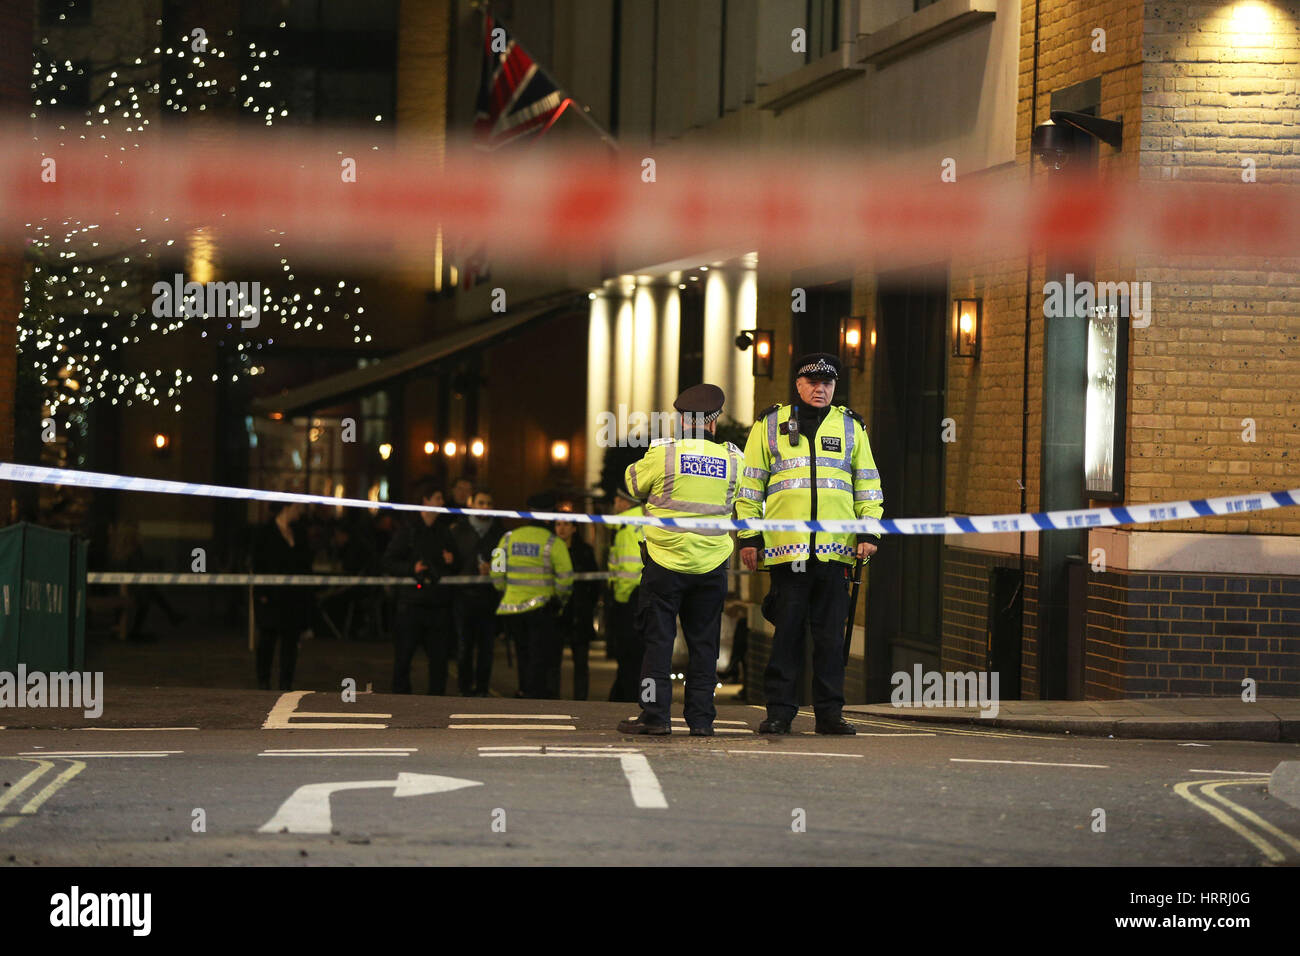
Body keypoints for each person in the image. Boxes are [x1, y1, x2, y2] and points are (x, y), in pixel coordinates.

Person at [735, 353, 884, 735]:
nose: (821, 389)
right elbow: (750, 486)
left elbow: (867, 484)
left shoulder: (851, 426)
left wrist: (868, 532)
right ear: (798, 385)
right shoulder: (770, 424)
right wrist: (749, 537)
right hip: (788, 552)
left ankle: (829, 714)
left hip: (836, 552)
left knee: (831, 640)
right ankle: (780, 712)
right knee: (786, 636)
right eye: (813, 382)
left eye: (828, 384)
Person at [616, 383, 742, 737]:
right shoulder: (734, 459)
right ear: (714, 423)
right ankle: (701, 720)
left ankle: (655, 716)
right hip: (712, 565)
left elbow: (631, 483)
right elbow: (745, 497)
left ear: (682, 421)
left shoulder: (665, 454)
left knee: (658, 642)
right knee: (705, 644)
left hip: (664, 563)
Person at [491, 492, 572, 698]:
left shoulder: (508, 537)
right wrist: (559, 600)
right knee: (539, 656)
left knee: (522, 652)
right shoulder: (554, 542)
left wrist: (504, 590)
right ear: (550, 515)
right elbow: (566, 578)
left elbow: (496, 568)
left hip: (512, 609)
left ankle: (523, 690)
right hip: (541, 609)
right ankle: (534, 695)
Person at [382, 479, 458, 694]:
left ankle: (437, 700)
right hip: (412, 605)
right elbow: (388, 561)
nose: (442, 503)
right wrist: (412, 568)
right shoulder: (410, 531)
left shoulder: (444, 532)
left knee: (439, 660)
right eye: (438, 498)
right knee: (404, 658)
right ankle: (400, 698)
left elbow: (457, 565)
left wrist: (452, 560)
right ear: (425, 501)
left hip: (438, 604)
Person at [252, 501, 313, 691]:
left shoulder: (299, 532)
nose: (299, 511)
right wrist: (262, 592)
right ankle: (264, 680)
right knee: (267, 640)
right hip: (271, 595)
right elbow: (258, 563)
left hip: (293, 596)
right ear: (286, 508)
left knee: (291, 641)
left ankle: (286, 681)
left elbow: (305, 563)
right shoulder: (264, 533)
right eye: (296, 507)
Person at [450, 487, 505, 696]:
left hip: (489, 596)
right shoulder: (458, 530)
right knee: (464, 646)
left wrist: (494, 568)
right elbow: (453, 562)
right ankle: (464, 688)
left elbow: (503, 561)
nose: (486, 507)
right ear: (471, 504)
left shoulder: (499, 532)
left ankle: (482, 688)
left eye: (489, 503)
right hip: (464, 596)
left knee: (486, 648)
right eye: (481, 502)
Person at [554, 505, 598, 700]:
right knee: (553, 661)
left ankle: (581, 700)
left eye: (566, 524)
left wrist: (588, 604)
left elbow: (595, 582)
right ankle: (550, 696)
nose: (561, 528)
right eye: (558, 524)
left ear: (574, 528)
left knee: (581, 662)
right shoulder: (551, 549)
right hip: (557, 612)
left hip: (579, 614)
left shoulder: (584, 552)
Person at [605, 487, 645, 702]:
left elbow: (626, 566)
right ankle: (624, 694)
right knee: (641, 651)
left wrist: (619, 597)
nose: (615, 503)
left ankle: (627, 696)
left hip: (629, 596)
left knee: (628, 652)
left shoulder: (624, 523)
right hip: (648, 592)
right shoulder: (648, 518)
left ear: (625, 501)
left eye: (617, 500)